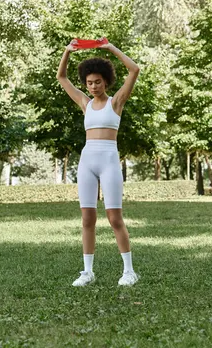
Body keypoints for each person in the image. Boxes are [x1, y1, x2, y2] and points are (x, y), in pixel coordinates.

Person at [56, 38, 140, 287]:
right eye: (89, 83)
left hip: (109, 160)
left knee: (114, 218)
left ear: (106, 81)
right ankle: (87, 272)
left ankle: (129, 271)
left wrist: (110, 48)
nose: (93, 86)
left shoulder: (116, 102)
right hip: (87, 161)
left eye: (97, 82)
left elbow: (134, 70)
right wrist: (67, 52)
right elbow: (62, 78)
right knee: (87, 218)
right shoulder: (85, 103)